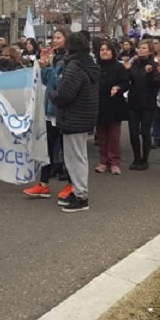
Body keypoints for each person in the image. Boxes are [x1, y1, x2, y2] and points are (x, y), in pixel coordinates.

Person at [49, 32, 99, 212]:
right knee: (78, 156)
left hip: (73, 117)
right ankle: (78, 190)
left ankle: (81, 196)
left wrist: (52, 95)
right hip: (83, 116)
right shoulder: (89, 64)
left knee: (74, 158)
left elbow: (64, 94)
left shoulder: (74, 67)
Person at [23, 28, 69, 200]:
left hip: (63, 111)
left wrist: (49, 65)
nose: (55, 40)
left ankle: (72, 185)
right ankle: (43, 184)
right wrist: (44, 66)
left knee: (67, 150)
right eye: (54, 37)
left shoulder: (67, 60)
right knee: (47, 148)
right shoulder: (56, 58)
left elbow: (62, 83)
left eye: (58, 37)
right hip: (50, 109)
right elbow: (48, 80)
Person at [125, 40, 160, 171]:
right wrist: (127, 68)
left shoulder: (154, 65)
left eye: (144, 48)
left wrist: (151, 73)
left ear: (150, 51)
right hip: (133, 101)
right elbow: (128, 79)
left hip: (147, 102)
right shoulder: (134, 63)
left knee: (145, 132)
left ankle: (144, 159)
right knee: (133, 132)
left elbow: (157, 83)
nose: (141, 50)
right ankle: (136, 158)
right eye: (139, 48)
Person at [94, 42, 129, 174]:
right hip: (99, 104)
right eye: (102, 49)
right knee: (101, 136)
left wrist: (118, 88)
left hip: (114, 104)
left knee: (114, 135)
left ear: (113, 52)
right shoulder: (95, 67)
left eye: (108, 50)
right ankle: (103, 161)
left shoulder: (118, 67)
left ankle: (114, 162)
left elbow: (125, 82)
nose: (105, 52)